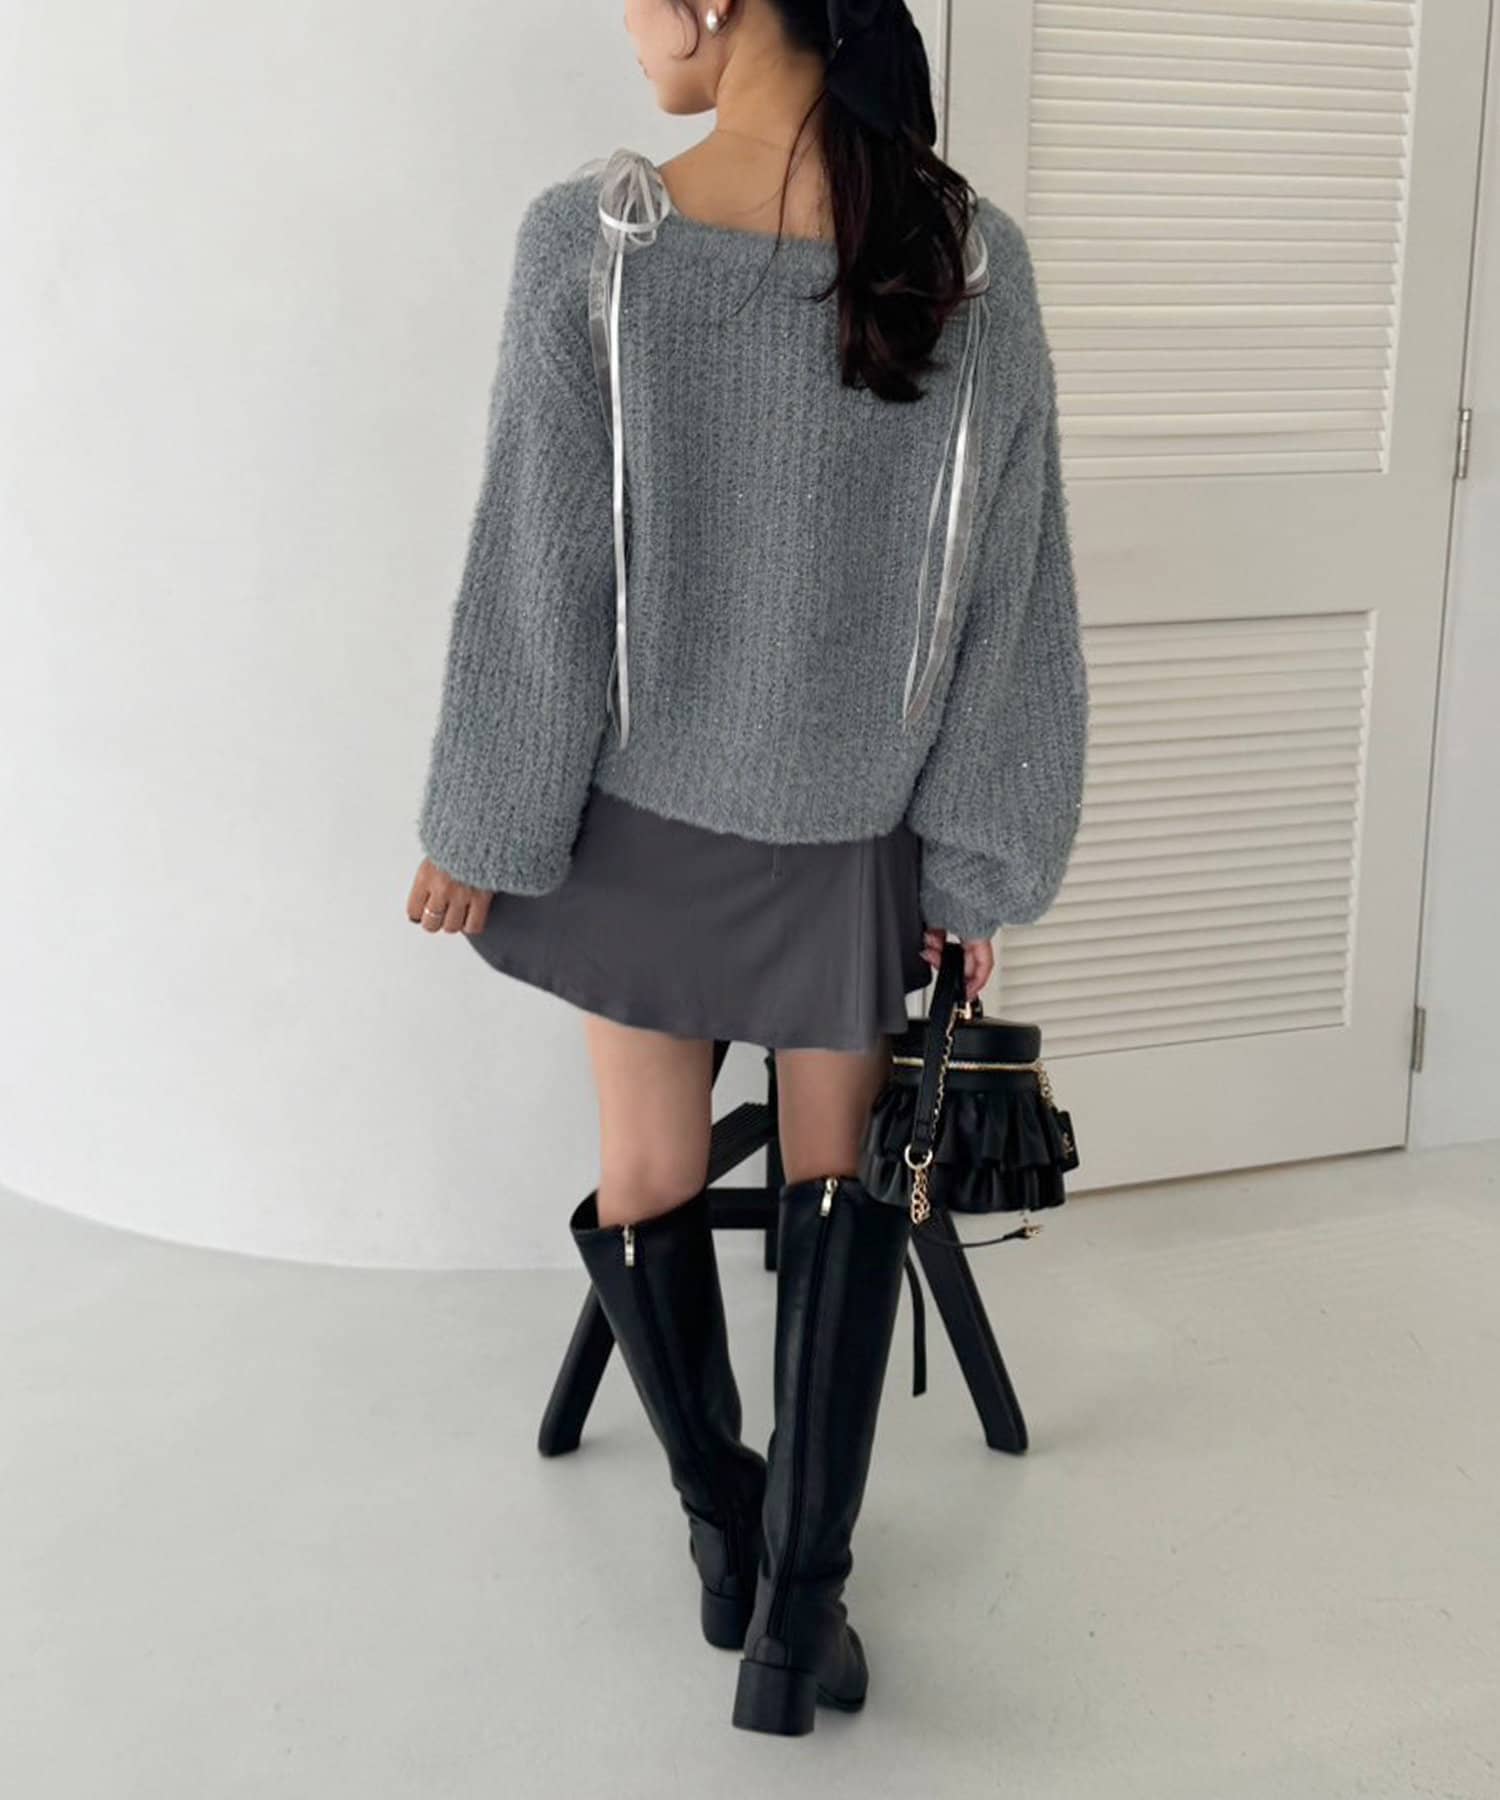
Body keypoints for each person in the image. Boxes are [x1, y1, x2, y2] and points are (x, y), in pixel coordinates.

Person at [405, 0, 1088, 1739]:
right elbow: (1010, 596)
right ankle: (796, 1614)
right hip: (848, 840)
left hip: (635, 826)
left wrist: (481, 825)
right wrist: (977, 864)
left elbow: (542, 563)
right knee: (839, 1179)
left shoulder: (599, 240)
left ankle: (723, 1530)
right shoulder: (968, 262)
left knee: (646, 1171)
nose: (629, 21)